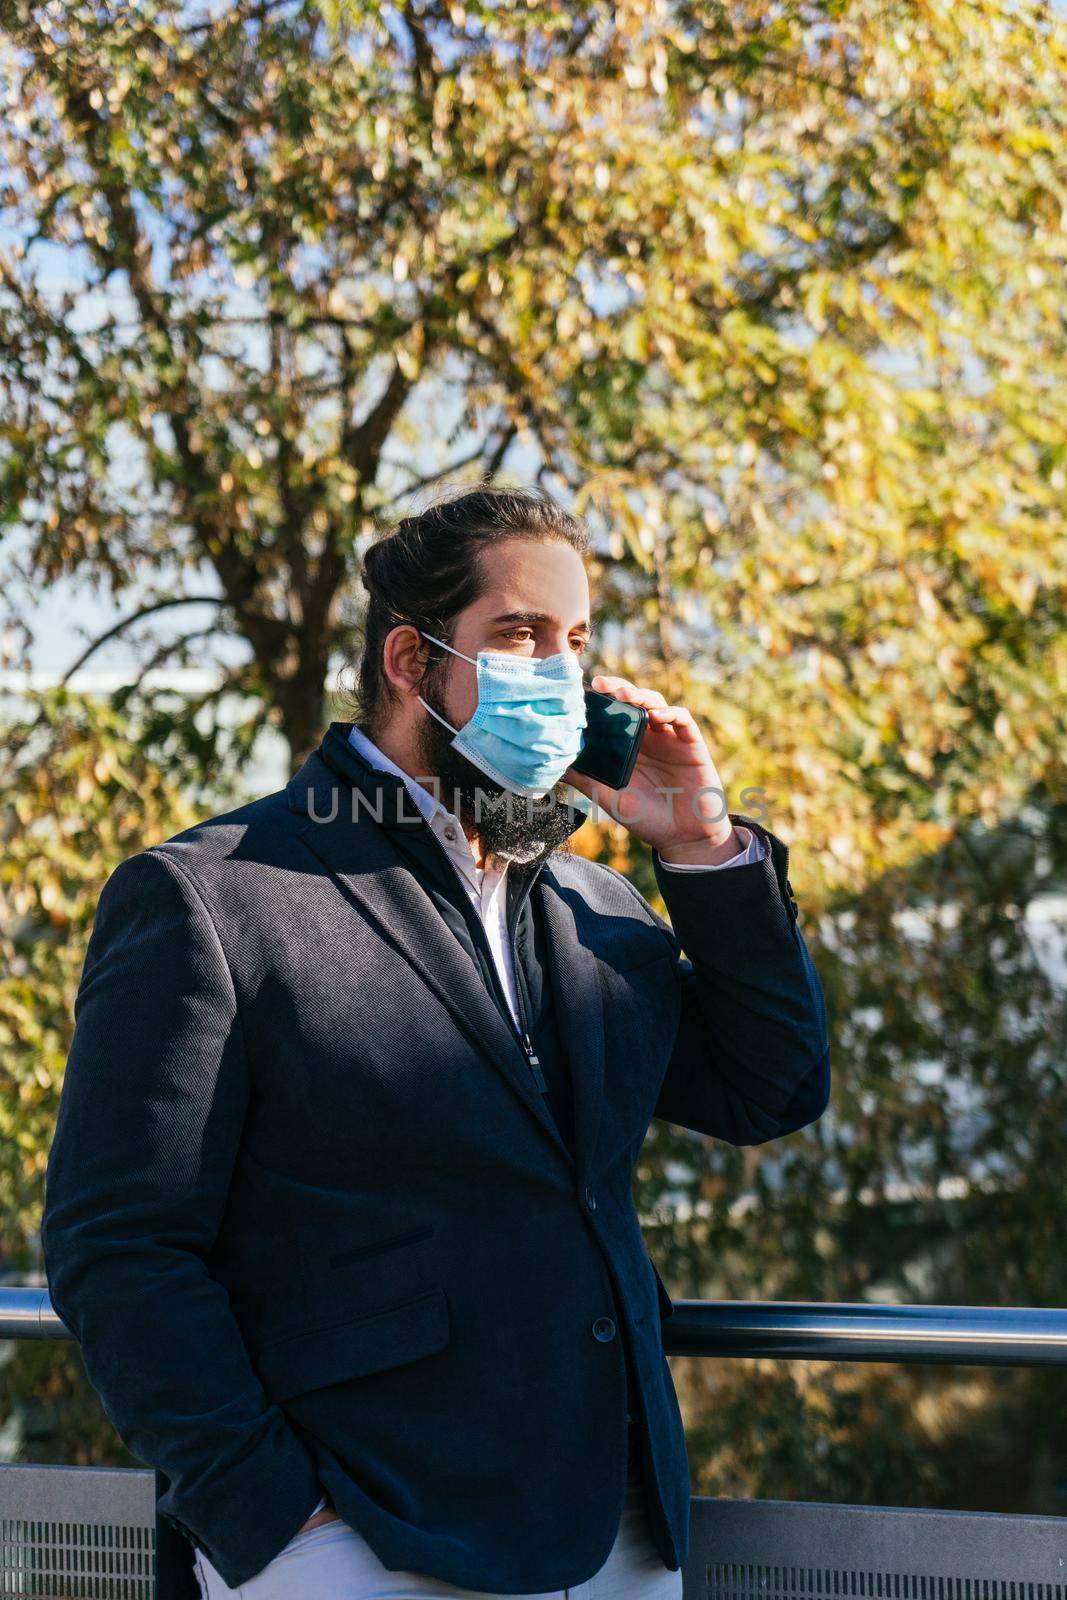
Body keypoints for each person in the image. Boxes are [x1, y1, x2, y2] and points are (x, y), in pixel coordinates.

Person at [41, 484, 831, 1600]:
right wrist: (279, 1527)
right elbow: (115, 1245)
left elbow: (772, 1084)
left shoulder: (592, 903)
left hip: (616, 1538)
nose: (559, 673)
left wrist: (700, 847)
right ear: (410, 662)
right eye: (518, 635)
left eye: (576, 642)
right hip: (365, 1537)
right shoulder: (212, 897)